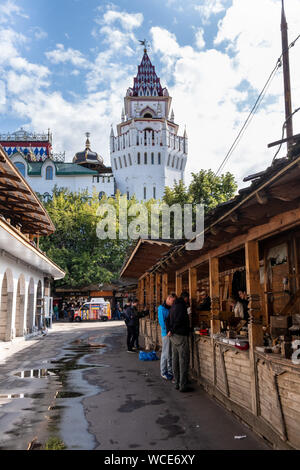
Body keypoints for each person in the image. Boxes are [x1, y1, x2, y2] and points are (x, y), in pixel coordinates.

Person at [166, 291, 193, 393]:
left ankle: (177, 383)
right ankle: (183, 385)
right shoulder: (182, 306)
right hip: (180, 336)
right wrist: (172, 330)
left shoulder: (173, 306)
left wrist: (169, 330)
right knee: (183, 360)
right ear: (185, 298)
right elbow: (179, 320)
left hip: (173, 336)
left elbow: (167, 320)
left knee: (175, 360)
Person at [158, 293, 176, 380]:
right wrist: (167, 331)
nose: (173, 303)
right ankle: (163, 372)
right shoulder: (161, 308)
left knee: (170, 353)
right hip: (166, 334)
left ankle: (170, 371)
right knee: (165, 353)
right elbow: (162, 323)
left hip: (171, 333)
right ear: (168, 298)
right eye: (172, 301)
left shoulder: (170, 308)